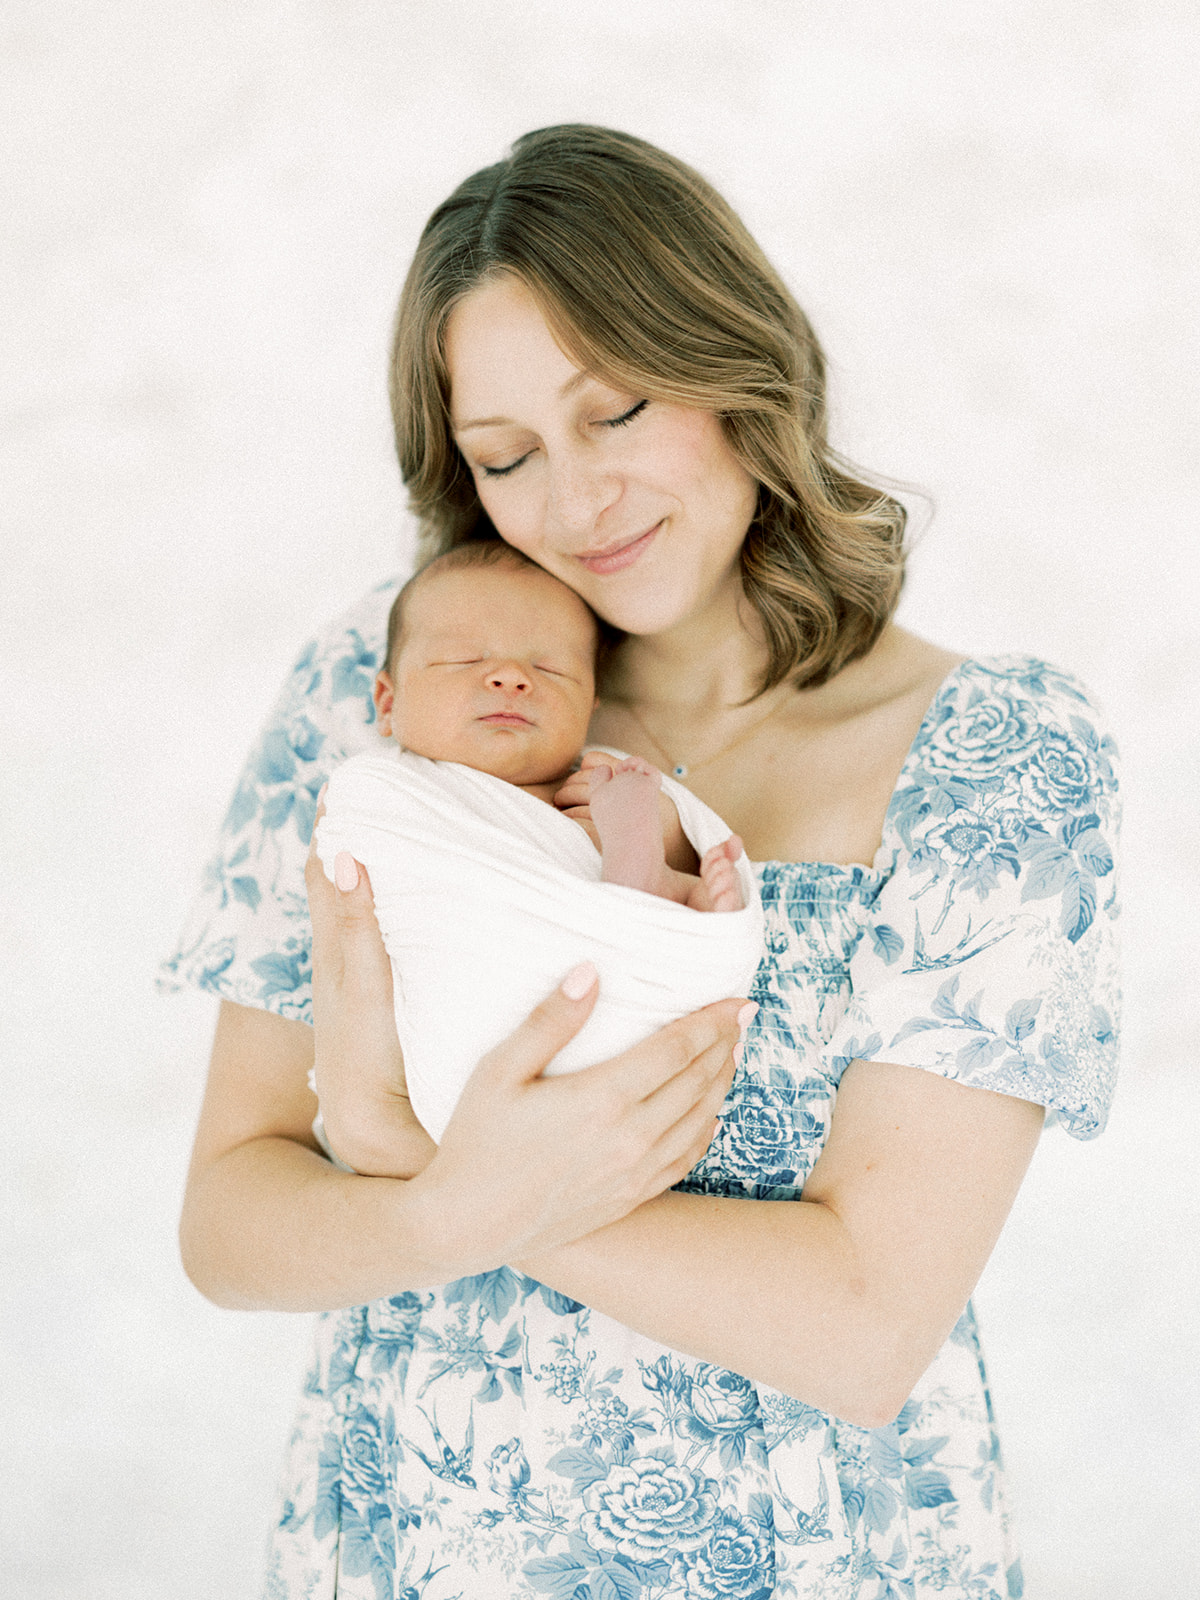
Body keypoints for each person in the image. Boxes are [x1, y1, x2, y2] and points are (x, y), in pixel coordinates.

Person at [166, 124, 1120, 1600]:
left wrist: (422, 1166)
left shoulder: (992, 752)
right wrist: (439, 1214)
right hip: (416, 1541)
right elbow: (230, 1225)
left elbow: (866, 1328)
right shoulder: (394, 694)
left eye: (617, 411)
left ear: (739, 367)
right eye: (505, 456)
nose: (574, 501)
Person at [312, 539, 760, 1147]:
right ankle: (641, 889)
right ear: (388, 703)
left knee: (650, 845)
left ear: (590, 704)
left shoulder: (603, 786)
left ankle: (653, 889)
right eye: (461, 659)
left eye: (551, 670)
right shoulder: (391, 793)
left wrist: (653, 835)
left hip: (626, 1038)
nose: (510, 677)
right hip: (462, 1049)